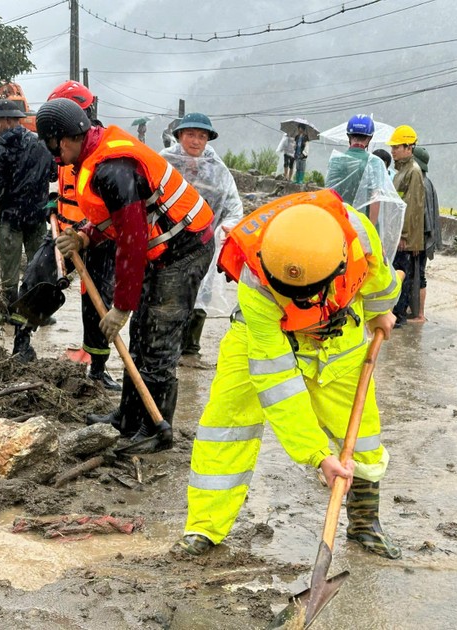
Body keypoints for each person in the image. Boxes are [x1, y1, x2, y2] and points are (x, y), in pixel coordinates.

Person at [174, 190, 403, 560]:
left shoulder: (357, 232)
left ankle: (364, 522)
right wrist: (316, 455)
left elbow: (378, 278)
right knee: (226, 427)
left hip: (336, 334)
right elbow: (278, 383)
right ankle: (204, 526)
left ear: (338, 265)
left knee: (360, 434)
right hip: (260, 336)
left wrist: (380, 312)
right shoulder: (256, 278)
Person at [35, 98, 215, 451]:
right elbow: (116, 217)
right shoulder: (95, 154)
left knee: (158, 337)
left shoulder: (113, 168)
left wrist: (121, 305)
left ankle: (154, 429)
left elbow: (131, 242)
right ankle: (128, 417)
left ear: (64, 139)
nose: (53, 154)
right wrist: (86, 233)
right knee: (141, 336)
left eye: (51, 145)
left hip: (185, 249)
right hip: (162, 247)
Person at [47, 80, 120, 390]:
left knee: (97, 302)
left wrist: (89, 235)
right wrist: (50, 202)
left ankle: (98, 367)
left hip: (98, 236)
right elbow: (55, 176)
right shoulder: (61, 143)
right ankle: (21, 344)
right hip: (64, 230)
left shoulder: (98, 149)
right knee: (39, 279)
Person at [160, 113, 243, 362]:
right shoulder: (164, 162)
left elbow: (233, 205)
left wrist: (228, 226)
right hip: (167, 240)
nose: (196, 141)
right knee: (167, 290)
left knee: (201, 288)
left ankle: (190, 347)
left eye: (202, 136)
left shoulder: (216, 169)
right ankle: (166, 344)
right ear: (179, 136)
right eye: (190, 135)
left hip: (203, 240)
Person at [0, 98, 55, 363]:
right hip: (38, 215)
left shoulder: (1, 148)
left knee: (10, 267)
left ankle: (12, 311)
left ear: (6, 121)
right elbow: (53, 176)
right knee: (38, 264)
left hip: (11, 217)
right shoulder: (41, 144)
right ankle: (39, 313)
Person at [388, 124, 425, 328]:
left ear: (408, 148)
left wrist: (403, 235)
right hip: (400, 234)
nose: (393, 150)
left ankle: (399, 316)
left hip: (406, 238)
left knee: (402, 275)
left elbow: (412, 207)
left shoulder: (413, 172)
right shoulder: (402, 171)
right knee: (397, 273)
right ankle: (396, 313)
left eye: (396, 147)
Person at [409, 146, 441, 323]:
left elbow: (422, 216)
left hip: (419, 239)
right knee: (417, 273)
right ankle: (414, 310)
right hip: (422, 238)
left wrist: (416, 241)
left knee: (418, 275)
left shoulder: (420, 182)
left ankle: (420, 314)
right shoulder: (427, 182)